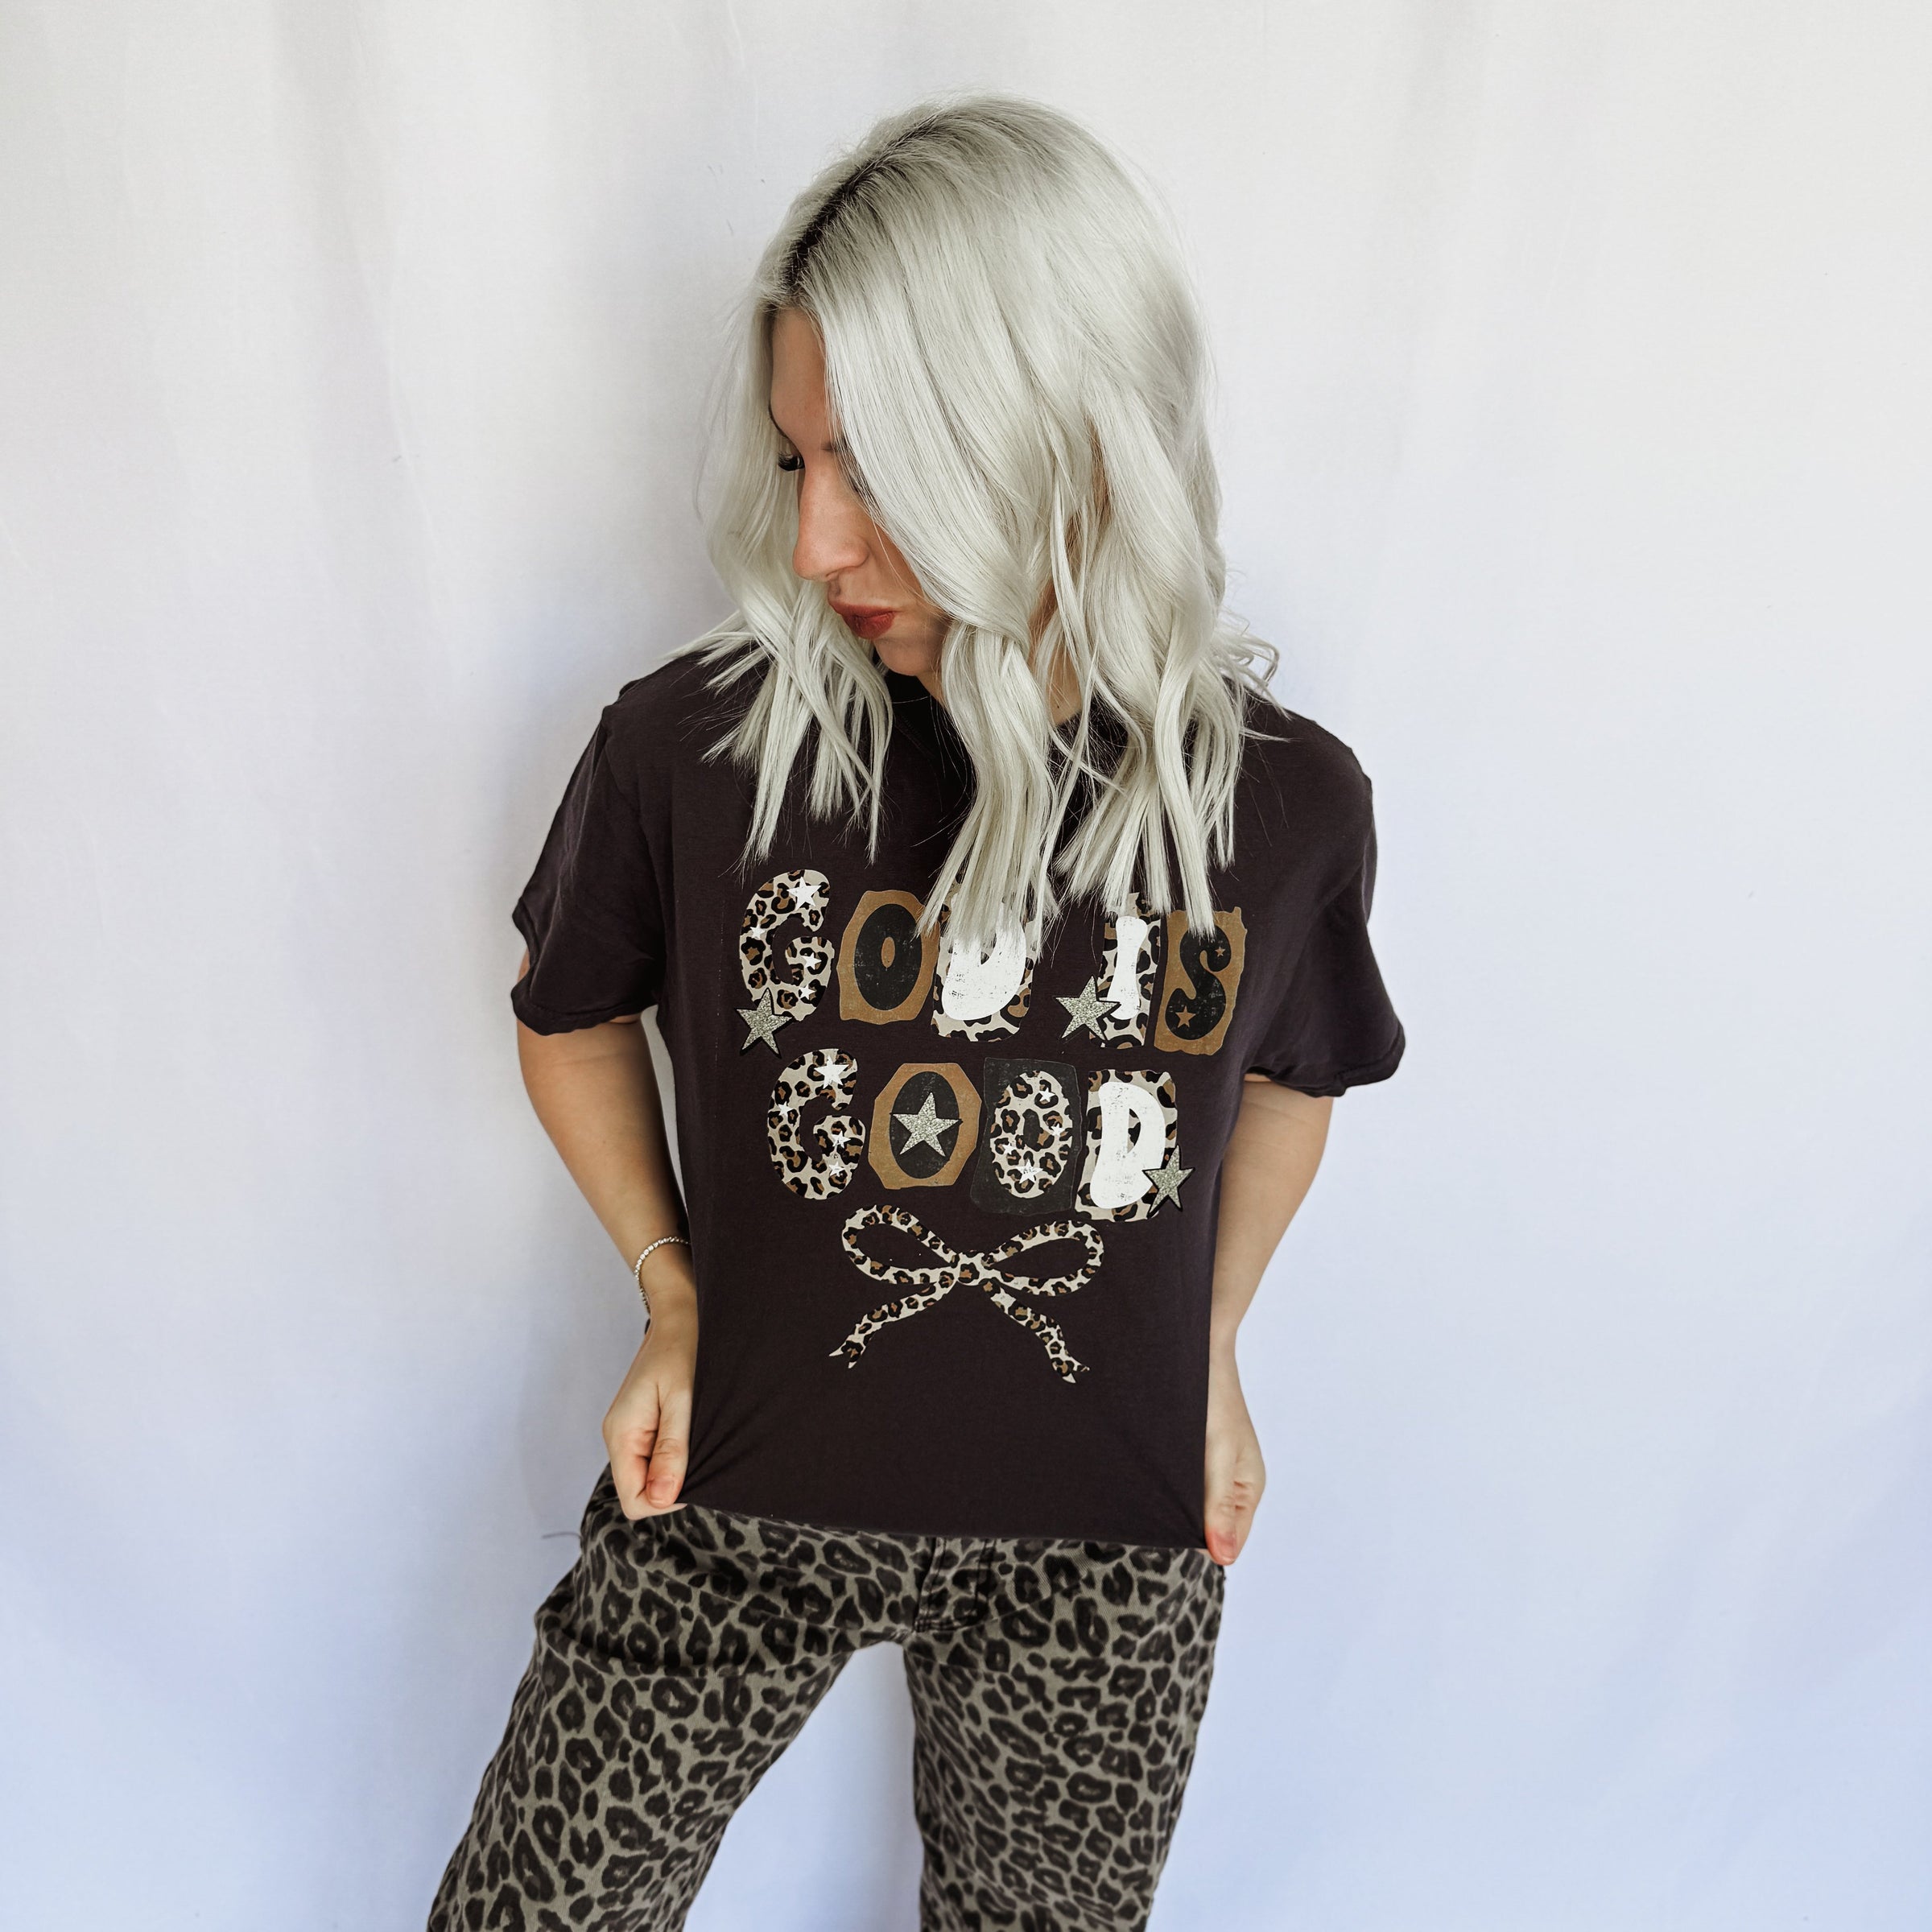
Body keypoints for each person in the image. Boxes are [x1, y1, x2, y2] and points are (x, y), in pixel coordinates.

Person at [428, 92, 1405, 1932]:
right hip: (733, 1497)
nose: (812, 543)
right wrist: (672, 1292)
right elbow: (568, 1016)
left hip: (1103, 1553)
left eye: (872, 467)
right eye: (798, 461)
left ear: (1063, 440)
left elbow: (1292, 1077)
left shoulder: (1280, 807)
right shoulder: (692, 756)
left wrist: (1203, 1339)